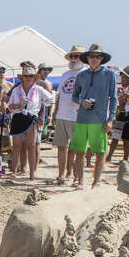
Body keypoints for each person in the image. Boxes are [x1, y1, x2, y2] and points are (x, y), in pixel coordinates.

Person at [70, 44, 118, 189]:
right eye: (91, 56)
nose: (94, 59)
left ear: (102, 58)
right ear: (87, 58)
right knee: (79, 151)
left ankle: (96, 182)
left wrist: (111, 119)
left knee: (100, 152)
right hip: (82, 118)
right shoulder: (81, 75)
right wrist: (81, 101)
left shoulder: (109, 74)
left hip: (100, 119)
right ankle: (79, 181)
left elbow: (114, 98)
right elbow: (74, 95)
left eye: (97, 56)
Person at [8, 64, 54, 179]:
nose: (28, 77)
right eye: (26, 75)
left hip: (31, 117)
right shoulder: (16, 90)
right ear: (22, 77)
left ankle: (32, 173)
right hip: (18, 117)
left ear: (34, 77)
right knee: (17, 146)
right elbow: (9, 105)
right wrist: (17, 105)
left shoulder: (38, 89)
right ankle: (13, 171)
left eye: (31, 75)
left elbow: (51, 99)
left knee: (32, 146)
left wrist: (43, 104)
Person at [51, 45, 86, 184]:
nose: (73, 59)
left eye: (76, 56)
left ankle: (77, 177)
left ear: (82, 58)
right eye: (71, 56)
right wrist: (55, 112)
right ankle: (61, 175)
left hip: (77, 116)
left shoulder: (86, 73)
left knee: (77, 149)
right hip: (62, 115)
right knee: (61, 147)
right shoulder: (65, 74)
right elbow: (60, 94)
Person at [106, 66, 129, 163]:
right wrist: (122, 97)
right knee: (117, 137)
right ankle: (111, 157)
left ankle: (128, 159)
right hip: (123, 114)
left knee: (128, 138)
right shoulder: (128, 87)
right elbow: (122, 105)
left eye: (123, 78)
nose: (121, 80)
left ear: (127, 77)